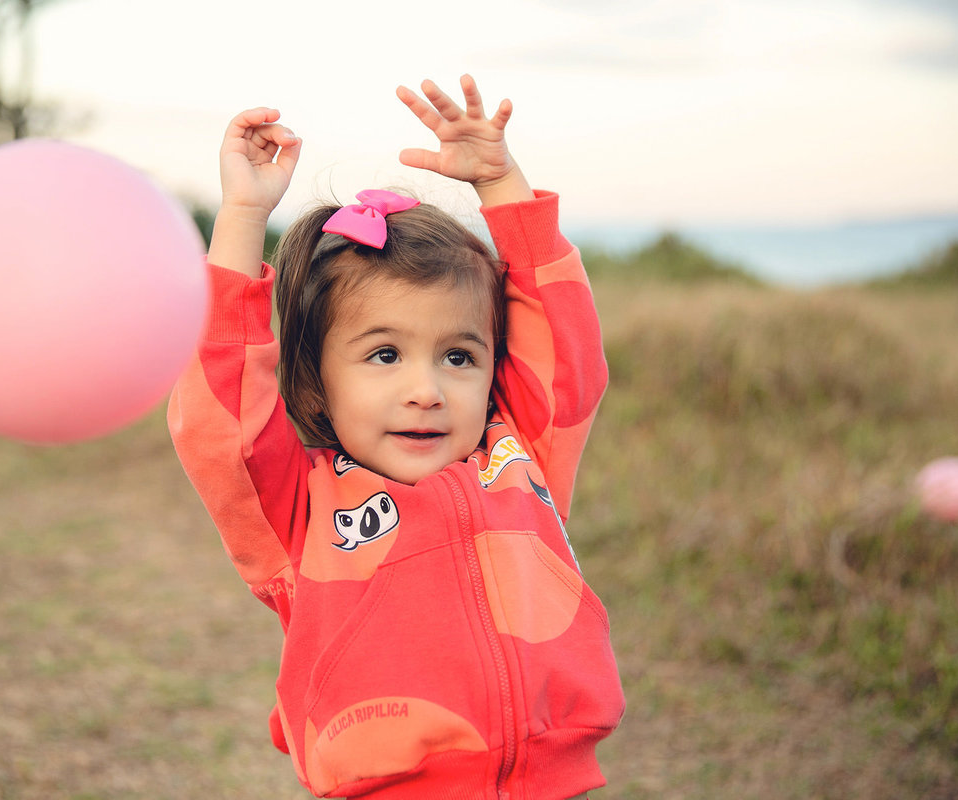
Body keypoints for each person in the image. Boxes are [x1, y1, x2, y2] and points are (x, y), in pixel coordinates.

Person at [169, 75, 625, 799]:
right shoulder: (300, 513)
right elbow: (218, 421)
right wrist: (244, 216)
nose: (427, 388)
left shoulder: (522, 457)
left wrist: (502, 183)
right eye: (385, 354)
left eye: (459, 356)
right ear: (317, 383)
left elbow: (566, 352)